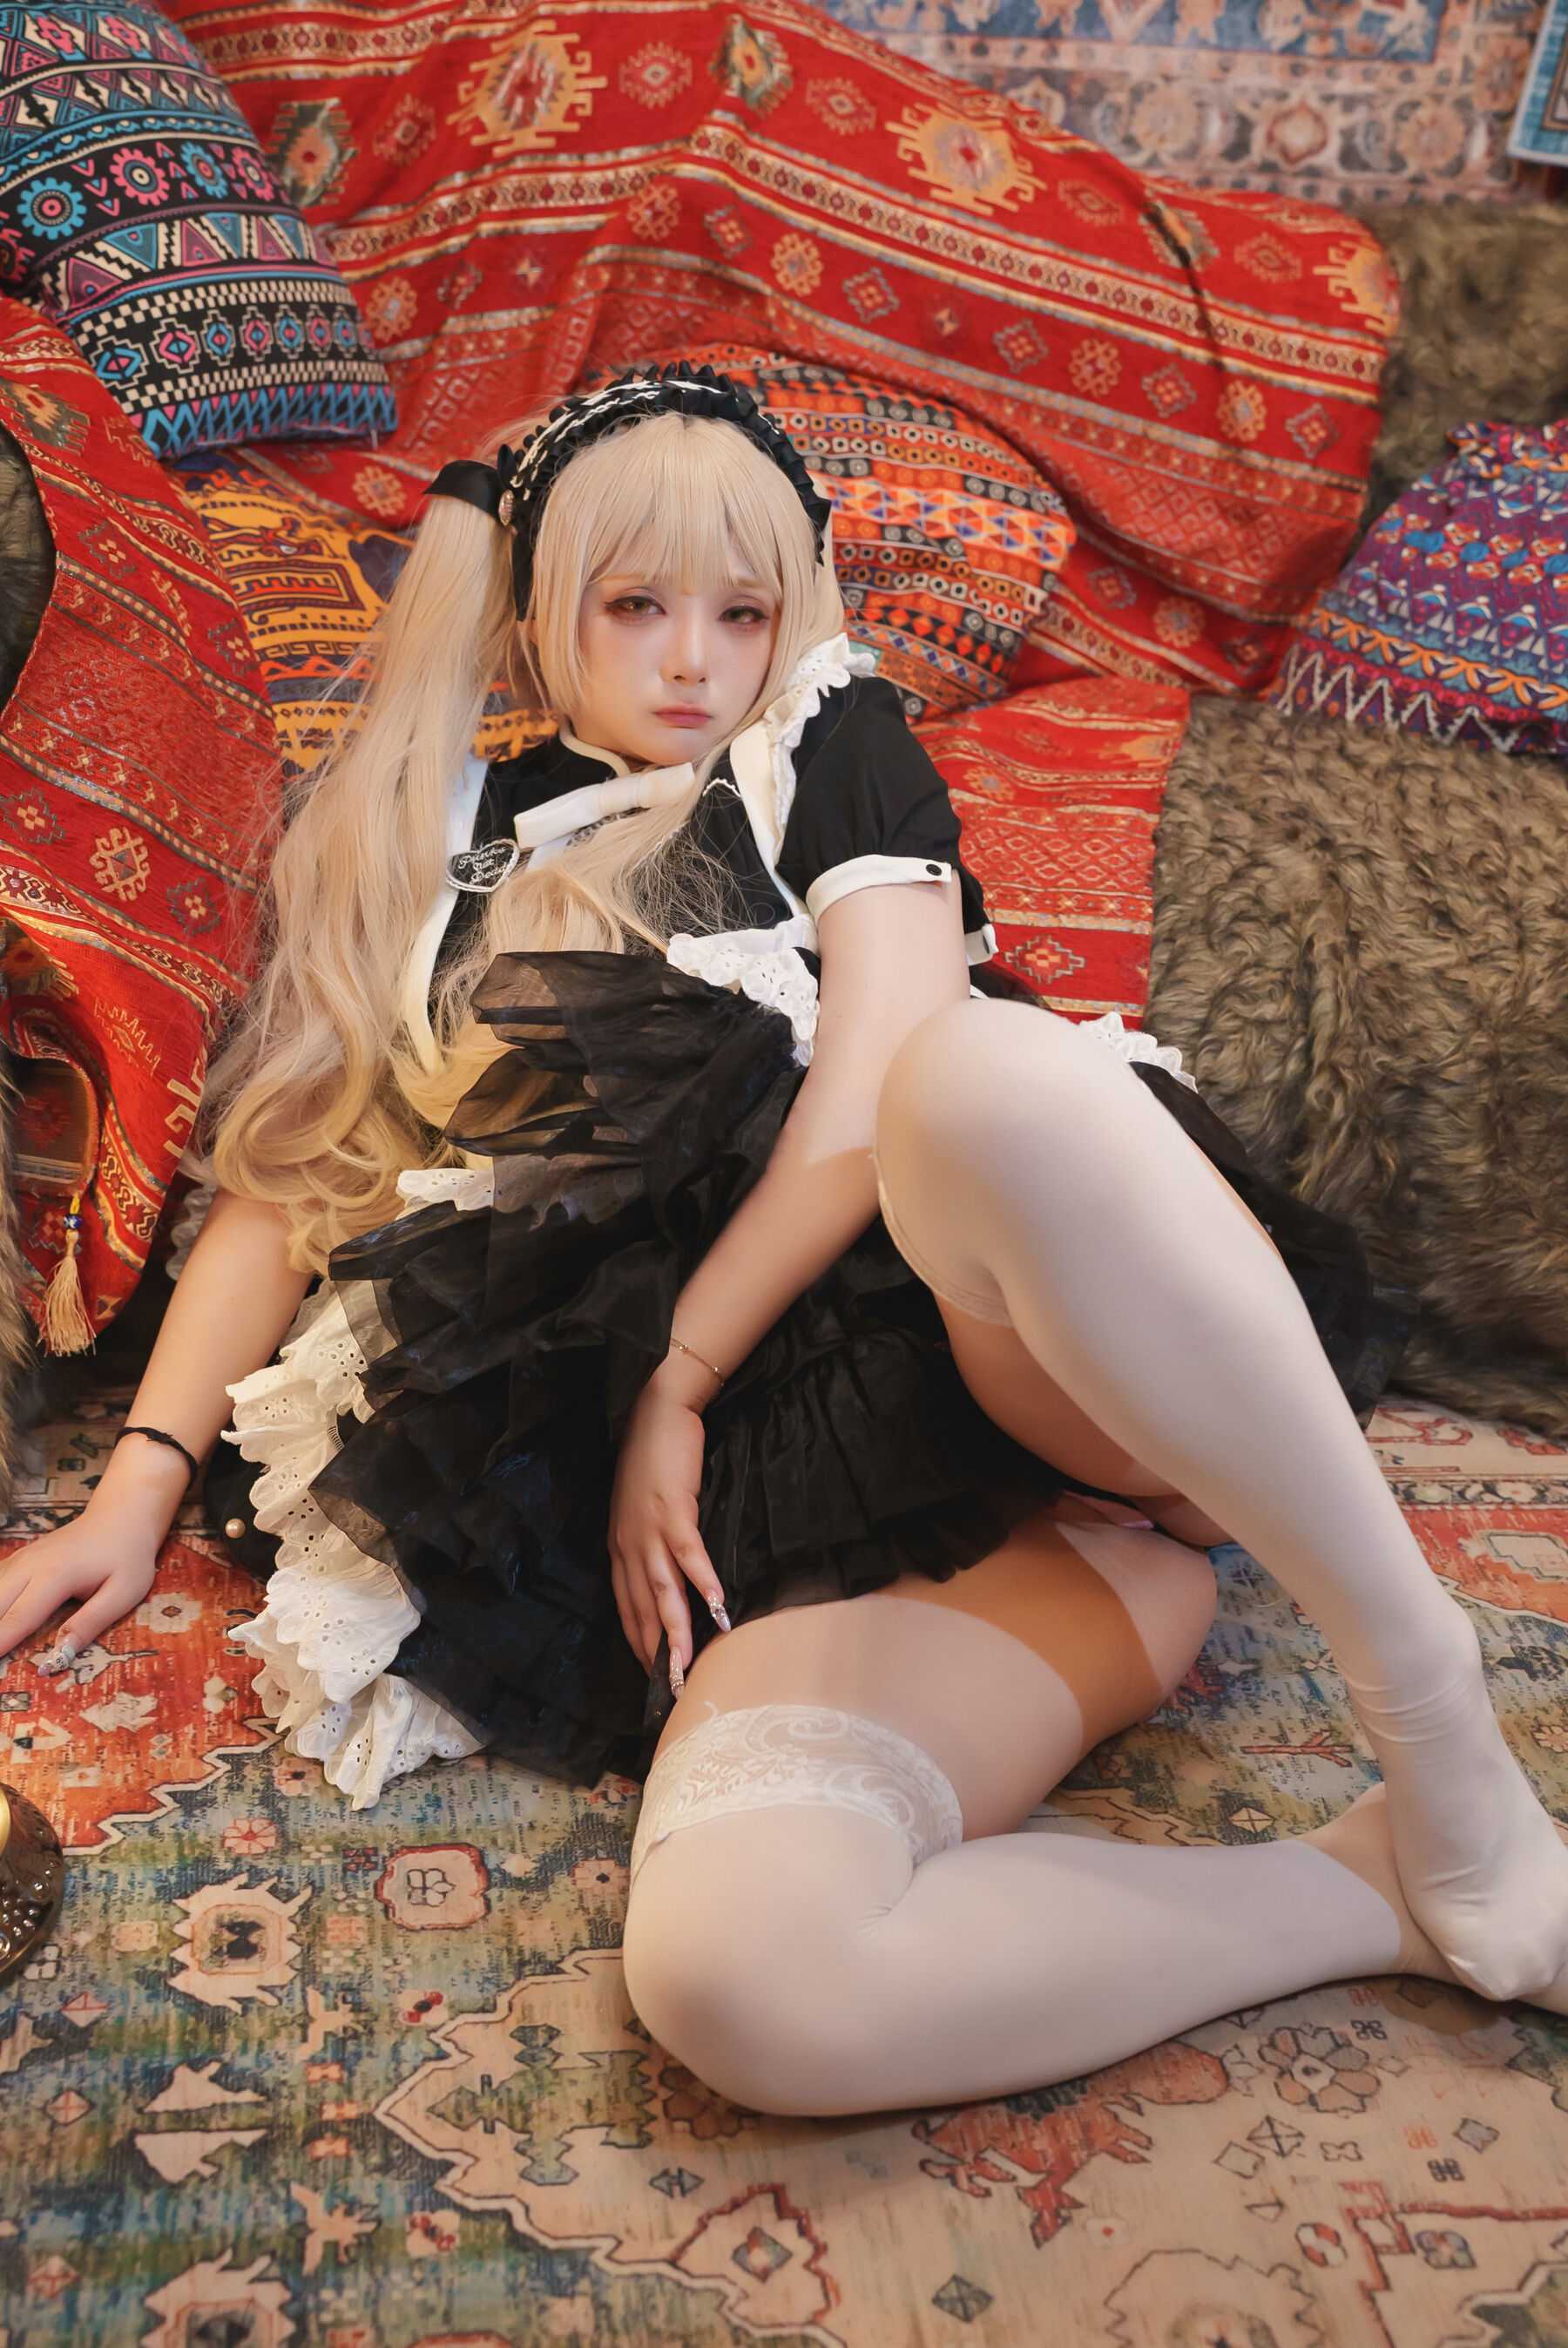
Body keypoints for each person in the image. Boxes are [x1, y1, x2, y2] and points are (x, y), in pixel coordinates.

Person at [2, 362, 1565, 2120]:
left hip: (1029, 1353)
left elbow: (885, 1053)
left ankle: (1436, 1715)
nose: (694, 659)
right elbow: (294, 1183)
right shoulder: (441, 838)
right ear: (536, 612)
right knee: (746, 1984)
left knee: (974, 1078)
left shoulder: (818, 740)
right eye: (636, 606)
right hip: (907, 1536)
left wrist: (677, 1375)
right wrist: (137, 1486)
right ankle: (1386, 1893)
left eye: (740, 612)